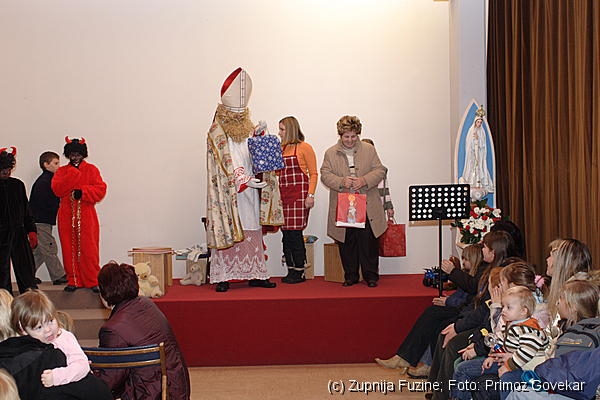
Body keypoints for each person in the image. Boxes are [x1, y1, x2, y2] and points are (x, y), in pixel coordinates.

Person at [205, 68, 282, 292]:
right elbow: (224, 161)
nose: (239, 117)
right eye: (235, 113)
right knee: (231, 227)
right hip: (230, 192)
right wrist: (242, 179)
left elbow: (251, 152)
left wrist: (260, 135)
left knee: (252, 227)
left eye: (242, 113)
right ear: (226, 110)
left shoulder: (247, 127)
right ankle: (224, 277)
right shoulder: (217, 132)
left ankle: (256, 274)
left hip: (251, 188)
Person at [374, 243, 485, 376]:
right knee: (432, 314)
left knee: (437, 321)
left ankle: (417, 361)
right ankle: (410, 359)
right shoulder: (470, 274)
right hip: (461, 308)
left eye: (465, 259)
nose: (463, 262)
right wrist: (448, 300)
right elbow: (462, 294)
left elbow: (469, 296)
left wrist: (448, 300)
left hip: (465, 312)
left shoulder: (479, 275)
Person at [427, 230, 513, 400]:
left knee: (453, 343)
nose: (482, 250)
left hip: (485, 327)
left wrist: (460, 327)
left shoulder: (499, 275)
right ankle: (437, 387)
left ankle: (444, 394)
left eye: (485, 247)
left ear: (493, 252)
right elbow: (481, 307)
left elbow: (486, 312)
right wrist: (458, 325)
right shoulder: (488, 269)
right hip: (479, 320)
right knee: (445, 333)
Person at [96, 261, 191, 399]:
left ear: (104, 293)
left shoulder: (113, 330)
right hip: (175, 386)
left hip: (150, 394)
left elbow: (110, 380)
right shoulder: (146, 304)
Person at [0, 289, 110, 399]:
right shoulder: (39, 356)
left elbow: (82, 365)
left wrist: (57, 377)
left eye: (51, 321)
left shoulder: (64, 338)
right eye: (39, 327)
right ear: (22, 329)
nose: (48, 330)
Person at [320, 116, 387, 287]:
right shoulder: (330, 153)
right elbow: (325, 175)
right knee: (347, 241)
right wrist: (342, 181)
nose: (350, 140)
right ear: (340, 135)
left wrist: (364, 180)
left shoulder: (369, 149)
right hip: (343, 205)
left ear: (358, 134)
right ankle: (350, 276)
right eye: (346, 136)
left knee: (368, 241)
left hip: (367, 205)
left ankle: (371, 276)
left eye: (353, 136)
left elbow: (380, 170)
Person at [52, 137, 107, 293]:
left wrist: (83, 193)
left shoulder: (92, 170)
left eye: (78, 154)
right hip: (66, 215)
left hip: (87, 215)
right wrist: (72, 175)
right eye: (72, 155)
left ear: (83, 154)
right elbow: (57, 190)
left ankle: (92, 280)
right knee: (68, 248)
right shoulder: (62, 171)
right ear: (68, 155)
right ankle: (73, 280)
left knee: (89, 249)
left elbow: (100, 189)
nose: (75, 157)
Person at [277, 116, 318, 284]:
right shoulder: (280, 149)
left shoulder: (304, 147)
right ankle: (291, 269)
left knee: (295, 234)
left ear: (290, 130)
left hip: (299, 197)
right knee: (285, 236)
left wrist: (310, 195)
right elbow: (276, 173)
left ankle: (300, 271)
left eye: (282, 129)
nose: (279, 133)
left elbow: (313, 173)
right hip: (283, 197)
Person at [0, 147, 38, 295]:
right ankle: (4, 301)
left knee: (26, 269)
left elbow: (26, 211)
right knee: (2, 273)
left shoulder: (17, 185)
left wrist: (31, 230)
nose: (6, 172)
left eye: (8, 169)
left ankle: (30, 299)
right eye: (3, 169)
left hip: (18, 232)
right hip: (1, 234)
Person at [30, 151, 68, 285]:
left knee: (40, 251)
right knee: (49, 247)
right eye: (55, 163)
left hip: (40, 220)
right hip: (41, 221)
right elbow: (46, 203)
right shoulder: (46, 182)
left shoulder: (46, 180)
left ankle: (27, 275)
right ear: (46, 165)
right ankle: (59, 275)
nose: (58, 166)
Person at [459, 108, 494, 192]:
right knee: (472, 167)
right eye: (478, 122)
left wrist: (478, 139)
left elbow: (483, 144)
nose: (479, 124)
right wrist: (473, 143)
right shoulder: (471, 130)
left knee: (479, 168)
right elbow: (468, 142)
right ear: (475, 122)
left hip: (479, 154)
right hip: (472, 153)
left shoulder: (482, 132)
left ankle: (479, 183)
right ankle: (472, 182)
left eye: (481, 122)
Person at [361, 138, 394, 220]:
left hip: (378, 207)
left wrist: (389, 207)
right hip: (361, 208)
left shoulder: (380, 170)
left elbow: (385, 189)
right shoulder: (355, 170)